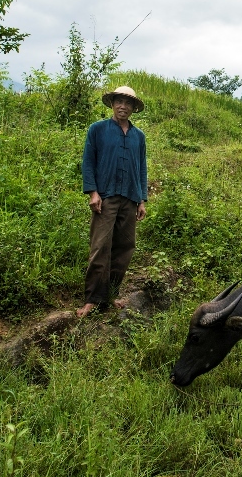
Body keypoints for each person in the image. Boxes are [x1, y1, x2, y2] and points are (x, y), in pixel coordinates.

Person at [76, 86, 148, 318]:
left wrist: (142, 200)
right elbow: (88, 161)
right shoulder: (97, 129)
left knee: (124, 247)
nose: (123, 106)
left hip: (130, 197)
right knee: (100, 247)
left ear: (133, 108)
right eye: (119, 102)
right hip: (105, 197)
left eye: (128, 103)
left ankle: (111, 294)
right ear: (112, 104)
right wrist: (93, 192)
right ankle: (93, 299)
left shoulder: (139, 136)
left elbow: (142, 168)